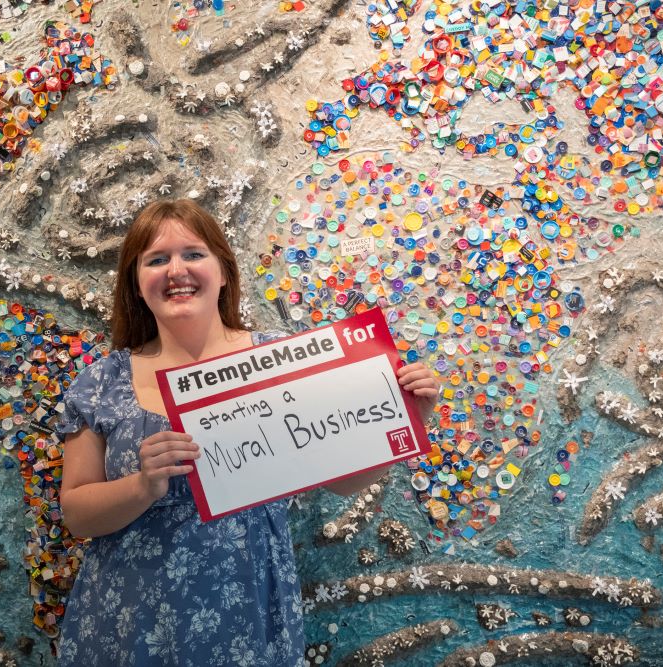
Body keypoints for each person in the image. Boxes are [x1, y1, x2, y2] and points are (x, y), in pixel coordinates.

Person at [55, 199, 440, 666]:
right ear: (136, 284)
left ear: (222, 270)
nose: (176, 270)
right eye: (156, 260)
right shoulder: (103, 381)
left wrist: (406, 418)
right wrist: (141, 486)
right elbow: (76, 513)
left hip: (248, 610)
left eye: (193, 254)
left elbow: (343, 482)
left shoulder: (282, 361)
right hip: (130, 617)